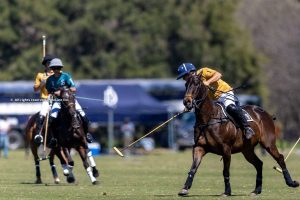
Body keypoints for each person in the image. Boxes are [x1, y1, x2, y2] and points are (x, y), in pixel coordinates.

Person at [176, 63, 255, 139]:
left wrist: (208, 82)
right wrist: (189, 106)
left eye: (184, 76)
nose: (184, 79)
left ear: (190, 73)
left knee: (230, 107)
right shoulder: (192, 84)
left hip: (225, 93)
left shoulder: (203, 71)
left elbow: (218, 75)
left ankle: (247, 127)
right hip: (213, 100)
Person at [45, 58, 93, 146]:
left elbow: (74, 88)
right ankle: (54, 138)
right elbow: (48, 91)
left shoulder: (66, 76)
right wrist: (55, 92)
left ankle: (87, 134)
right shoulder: (50, 80)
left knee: (83, 116)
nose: (56, 70)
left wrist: (64, 90)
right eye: (54, 68)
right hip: (58, 101)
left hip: (70, 100)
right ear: (52, 69)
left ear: (60, 68)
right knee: (51, 119)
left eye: (58, 68)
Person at [33, 54, 55, 144]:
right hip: (46, 100)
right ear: (45, 64)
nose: (50, 65)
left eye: (52, 63)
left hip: (57, 99)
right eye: (48, 63)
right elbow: (35, 89)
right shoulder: (40, 75)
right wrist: (42, 83)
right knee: (42, 114)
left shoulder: (58, 74)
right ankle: (39, 135)